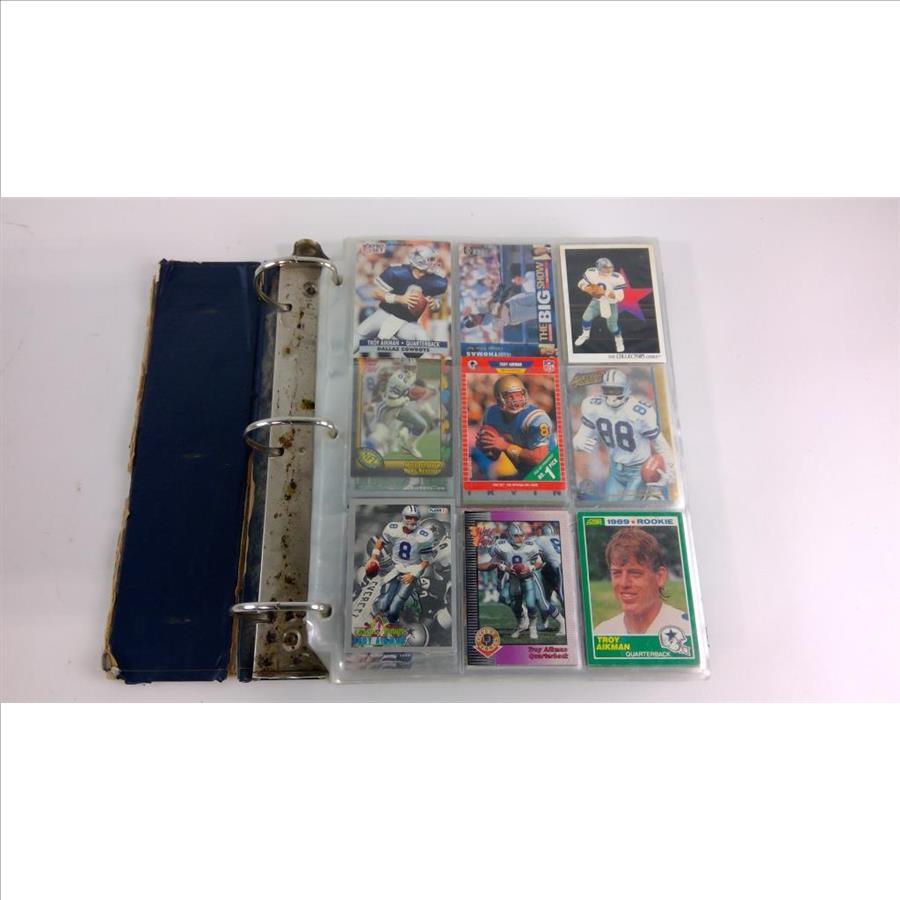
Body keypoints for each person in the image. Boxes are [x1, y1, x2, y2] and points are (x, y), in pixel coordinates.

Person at [572, 368, 674, 500]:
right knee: (611, 505)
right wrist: (579, 441)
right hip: (615, 470)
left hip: (638, 470)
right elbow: (583, 434)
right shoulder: (593, 405)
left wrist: (670, 466)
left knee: (629, 505)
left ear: (626, 390)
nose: (612, 396)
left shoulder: (640, 411)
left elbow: (659, 442)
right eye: (608, 390)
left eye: (616, 390)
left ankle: (654, 497)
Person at [593, 527, 690, 636]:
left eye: (635, 573)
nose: (624, 583)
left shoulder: (686, 630)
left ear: (660, 577)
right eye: (617, 573)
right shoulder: (602, 633)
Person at [354, 245, 448, 350]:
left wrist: (435, 305)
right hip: (385, 314)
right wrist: (400, 299)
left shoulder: (437, 280)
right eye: (430, 259)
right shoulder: (397, 272)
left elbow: (437, 304)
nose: (434, 263)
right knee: (360, 335)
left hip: (408, 322)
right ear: (419, 260)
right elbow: (375, 293)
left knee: (421, 340)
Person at [474, 375, 555, 479]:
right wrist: (487, 445)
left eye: (518, 395)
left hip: (547, 471)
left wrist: (505, 445)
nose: (516, 400)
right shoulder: (492, 414)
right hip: (521, 471)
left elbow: (539, 458)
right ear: (499, 399)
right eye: (510, 396)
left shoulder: (536, 419)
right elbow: (493, 456)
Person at [573, 257, 626, 353]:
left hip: (610, 303)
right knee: (586, 317)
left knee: (612, 327)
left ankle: (618, 339)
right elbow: (581, 283)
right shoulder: (592, 273)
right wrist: (586, 288)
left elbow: (620, 297)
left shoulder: (617, 278)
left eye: (610, 267)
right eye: (605, 268)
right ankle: (585, 335)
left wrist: (604, 292)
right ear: (598, 268)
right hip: (597, 300)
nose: (608, 270)